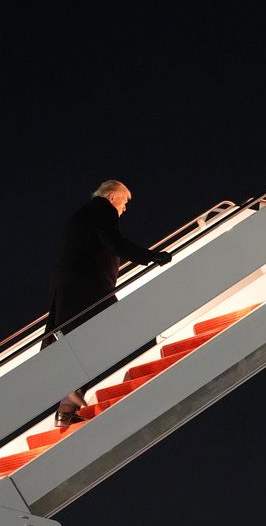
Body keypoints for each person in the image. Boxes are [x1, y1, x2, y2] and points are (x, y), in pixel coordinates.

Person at [44, 180, 172, 426]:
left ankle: (66, 408)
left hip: (74, 290)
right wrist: (150, 256)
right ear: (113, 197)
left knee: (91, 343)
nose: (123, 210)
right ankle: (71, 391)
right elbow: (115, 242)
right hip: (88, 290)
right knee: (114, 334)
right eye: (124, 203)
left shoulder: (82, 215)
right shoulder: (102, 210)